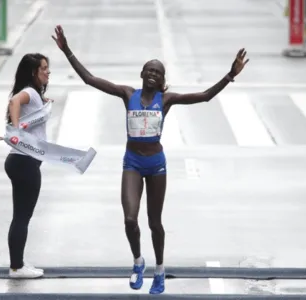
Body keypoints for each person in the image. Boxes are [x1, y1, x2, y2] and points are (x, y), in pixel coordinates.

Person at [51, 25, 249, 293]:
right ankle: (138, 261)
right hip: (132, 162)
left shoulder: (166, 100)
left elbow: (204, 97)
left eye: (158, 72)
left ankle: (159, 270)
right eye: (149, 70)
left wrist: (230, 75)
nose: (153, 74)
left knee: (155, 222)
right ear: (142, 74)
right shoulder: (126, 94)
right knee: (130, 220)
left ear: (162, 79)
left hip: (156, 165)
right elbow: (90, 79)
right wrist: (67, 50)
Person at [4, 53, 51, 278]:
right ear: (34, 72)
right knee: (23, 217)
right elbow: (15, 102)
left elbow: (21, 107)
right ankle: (17, 267)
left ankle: (18, 263)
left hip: (18, 161)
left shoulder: (33, 95)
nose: (47, 72)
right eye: (44, 69)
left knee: (19, 216)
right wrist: (16, 132)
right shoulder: (30, 92)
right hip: (25, 162)